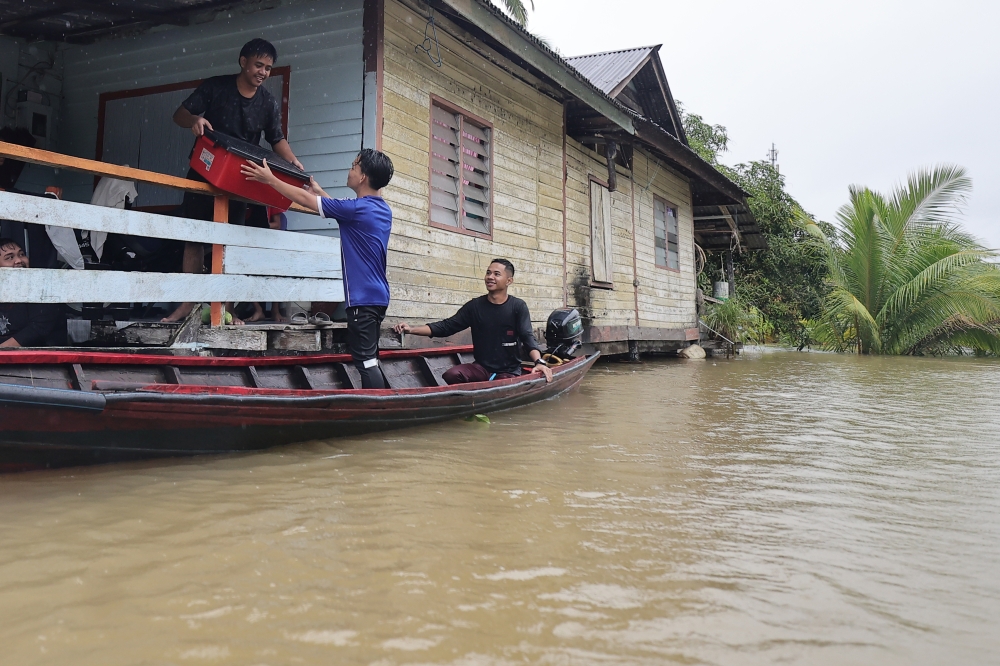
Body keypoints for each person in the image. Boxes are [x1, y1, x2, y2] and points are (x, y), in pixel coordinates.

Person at [162, 37, 304, 323]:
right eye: (258, 65)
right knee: (195, 240)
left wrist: (293, 162)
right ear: (243, 62)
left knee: (228, 245)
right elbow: (180, 114)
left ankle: (224, 307)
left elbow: (276, 139)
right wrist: (195, 121)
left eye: (268, 68)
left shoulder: (268, 102)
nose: (263, 72)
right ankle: (187, 306)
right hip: (205, 171)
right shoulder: (216, 86)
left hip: (240, 180)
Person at [241, 149, 395, 389]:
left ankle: (377, 411)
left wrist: (270, 179)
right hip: (378, 296)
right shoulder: (381, 209)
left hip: (363, 299)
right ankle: (383, 406)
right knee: (371, 359)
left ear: (363, 176)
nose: (350, 170)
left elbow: (306, 201)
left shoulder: (356, 209)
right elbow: (337, 207)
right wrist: (320, 193)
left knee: (365, 362)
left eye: (354, 166)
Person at [393, 259, 553, 384]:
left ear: (509, 281)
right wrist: (411, 329)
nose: (490, 277)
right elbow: (447, 326)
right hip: (481, 368)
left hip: (509, 372)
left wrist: (539, 362)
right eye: (488, 273)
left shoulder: (518, 306)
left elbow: (527, 337)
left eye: (497, 274)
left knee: (500, 386)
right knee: (451, 374)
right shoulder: (475, 306)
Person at [0, 238, 65, 348]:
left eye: (21, 254)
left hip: (39, 360)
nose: (19, 260)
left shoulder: (42, 290)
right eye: (10, 257)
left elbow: (36, 330)